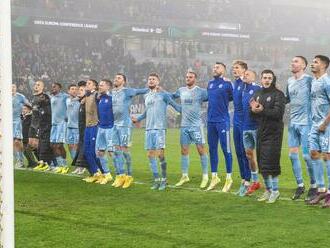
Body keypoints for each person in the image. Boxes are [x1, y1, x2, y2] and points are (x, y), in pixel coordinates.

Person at [132, 73, 180, 190]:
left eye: (153, 79)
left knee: (160, 154)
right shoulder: (146, 96)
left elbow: (175, 105)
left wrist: (186, 110)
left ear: (158, 82)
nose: (151, 81)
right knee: (150, 155)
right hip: (148, 128)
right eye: (149, 79)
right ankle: (157, 180)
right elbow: (146, 112)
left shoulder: (163, 95)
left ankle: (164, 180)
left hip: (159, 128)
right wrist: (137, 119)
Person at [250, 70, 286, 204]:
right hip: (261, 132)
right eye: (265, 77)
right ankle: (268, 190)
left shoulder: (278, 94)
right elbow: (253, 114)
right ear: (261, 79)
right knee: (262, 163)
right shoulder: (257, 94)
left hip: (274, 133)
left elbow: (278, 113)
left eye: (269, 78)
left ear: (273, 79)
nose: (267, 80)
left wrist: (261, 110)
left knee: (271, 162)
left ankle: (275, 191)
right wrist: (253, 110)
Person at [285, 56, 317, 201]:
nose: (293, 63)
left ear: (304, 65)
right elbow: (287, 99)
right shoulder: (289, 81)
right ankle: (300, 185)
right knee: (292, 155)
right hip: (293, 124)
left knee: (306, 156)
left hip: (306, 123)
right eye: (292, 61)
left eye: (296, 61)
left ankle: (314, 185)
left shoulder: (310, 80)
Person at [172, 71, 209, 189]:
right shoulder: (181, 90)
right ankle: (184, 176)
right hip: (184, 126)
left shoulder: (201, 91)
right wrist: (161, 91)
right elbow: (171, 96)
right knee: (183, 150)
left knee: (201, 150)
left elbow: (213, 96)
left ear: (195, 79)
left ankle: (205, 176)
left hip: (196, 126)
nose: (188, 78)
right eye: (186, 77)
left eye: (190, 77)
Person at [111, 73, 149, 188]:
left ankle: (129, 176)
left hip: (124, 125)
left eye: (119, 78)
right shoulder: (112, 92)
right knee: (116, 151)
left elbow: (142, 91)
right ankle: (120, 176)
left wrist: (152, 87)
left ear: (124, 81)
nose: (116, 79)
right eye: (115, 77)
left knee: (124, 150)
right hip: (115, 125)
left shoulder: (127, 91)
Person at [206, 62, 233, 191]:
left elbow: (234, 98)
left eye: (217, 67)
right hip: (210, 121)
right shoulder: (210, 84)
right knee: (212, 150)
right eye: (214, 67)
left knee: (226, 149)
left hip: (223, 121)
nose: (214, 69)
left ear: (223, 70)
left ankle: (229, 178)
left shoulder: (228, 84)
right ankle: (214, 177)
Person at [308, 55, 330, 208]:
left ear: (324, 65)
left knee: (328, 157)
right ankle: (321, 190)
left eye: (316, 62)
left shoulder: (327, 82)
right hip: (315, 124)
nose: (312, 64)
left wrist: (325, 123)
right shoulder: (314, 81)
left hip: (326, 125)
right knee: (314, 154)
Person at [240, 70, 262, 196]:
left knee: (261, 156)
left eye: (247, 74)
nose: (245, 76)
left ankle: (269, 184)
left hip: (256, 127)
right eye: (245, 74)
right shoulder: (243, 90)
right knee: (249, 155)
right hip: (245, 127)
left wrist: (257, 108)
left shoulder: (258, 88)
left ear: (254, 76)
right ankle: (255, 181)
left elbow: (262, 106)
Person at [232, 60, 251, 194]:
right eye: (233, 68)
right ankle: (243, 179)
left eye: (237, 68)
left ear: (244, 70)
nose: (234, 70)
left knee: (246, 153)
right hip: (236, 121)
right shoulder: (236, 83)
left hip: (245, 121)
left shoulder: (247, 84)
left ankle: (249, 180)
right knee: (238, 151)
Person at [82, 79, 103, 183]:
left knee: (93, 151)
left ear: (95, 86)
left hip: (95, 126)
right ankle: (96, 173)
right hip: (87, 127)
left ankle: (103, 173)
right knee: (86, 151)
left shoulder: (96, 95)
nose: (87, 85)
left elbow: (101, 98)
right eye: (86, 84)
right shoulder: (87, 96)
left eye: (89, 84)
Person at [94, 79, 114, 185]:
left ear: (108, 87)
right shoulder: (99, 98)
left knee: (112, 152)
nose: (99, 87)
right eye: (99, 85)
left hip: (111, 128)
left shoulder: (112, 98)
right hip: (101, 128)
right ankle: (107, 174)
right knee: (99, 152)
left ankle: (122, 174)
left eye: (102, 85)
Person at [30, 80, 53, 171]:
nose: (36, 86)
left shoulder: (44, 97)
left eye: (38, 85)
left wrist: (44, 122)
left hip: (43, 124)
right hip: (35, 124)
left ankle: (46, 162)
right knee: (34, 144)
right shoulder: (34, 97)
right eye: (35, 84)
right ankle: (42, 161)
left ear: (42, 87)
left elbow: (47, 111)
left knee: (43, 143)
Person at [50, 82, 69, 174]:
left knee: (59, 145)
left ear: (60, 88)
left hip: (62, 124)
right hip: (54, 124)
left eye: (55, 87)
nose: (53, 88)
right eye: (52, 87)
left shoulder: (65, 96)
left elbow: (71, 102)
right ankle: (60, 165)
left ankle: (64, 165)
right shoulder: (52, 97)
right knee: (52, 145)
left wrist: (67, 116)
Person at [71, 81, 88, 175]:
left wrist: (86, 97)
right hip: (81, 128)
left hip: (87, 128)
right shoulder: (81, 102)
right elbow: (75, 98)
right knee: (79, 147)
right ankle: (79, 166)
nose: (79, 91)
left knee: (83, 148)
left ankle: (82, 166)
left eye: (81, 90)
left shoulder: (88, 101)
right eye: (79, 90)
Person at [12, 84, 29, 168]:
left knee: (17, 141)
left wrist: (25, 112)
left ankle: (21, 160)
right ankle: (18, 160)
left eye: (13, 87)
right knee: (12, 143)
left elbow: (28, 105)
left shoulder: (20, 96)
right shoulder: (4, 96)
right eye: (10, 87)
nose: (11, 89)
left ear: (16, 88)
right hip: (7, 122)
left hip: (17, 121)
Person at [66, 84, 80, 173]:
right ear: (68, 91)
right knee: (70, 146)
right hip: (69, 126)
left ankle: (80, 165)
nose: (74, 91)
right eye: (72, 89)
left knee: (76, 146)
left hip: (77, 127)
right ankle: (76, 165)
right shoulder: (67, 100)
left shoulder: (80, 100)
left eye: (76, 89)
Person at [21, 104, 37, 168]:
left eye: (25, 109)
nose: (23, 110)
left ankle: (34, 163)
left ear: (29, 109)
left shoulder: (31, 117)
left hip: (30, 136)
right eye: (23, 109)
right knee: (25, 151)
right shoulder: (24, 117)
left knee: (28, 149)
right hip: (24, 136)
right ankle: (30, 162)